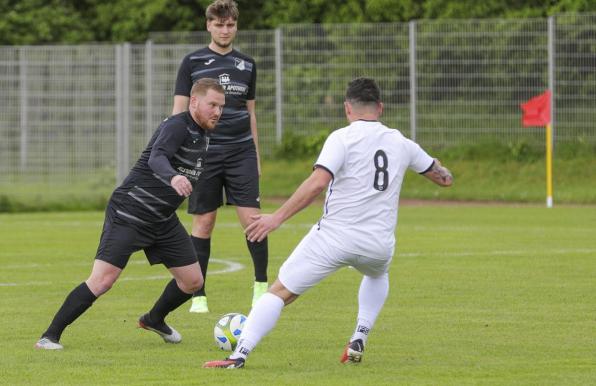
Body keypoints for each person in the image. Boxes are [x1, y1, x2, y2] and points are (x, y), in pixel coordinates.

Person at [203, 77, 454, 368]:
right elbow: (443, 178)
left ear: (348, 108)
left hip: (334, 238)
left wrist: (276, 218)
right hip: (378, 244)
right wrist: (438, 166)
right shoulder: (402, 142)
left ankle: (239, 354)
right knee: (377, 274)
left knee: (280, 292)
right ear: (380, 108)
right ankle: (360, 335)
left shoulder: (342, 138)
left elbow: (317, 183)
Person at [34, 78, 226, 350]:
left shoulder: (205, 134)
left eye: (221, 106)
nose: (217, 112)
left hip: (162, 219)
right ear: (194, 101)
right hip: (131, 211)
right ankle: (49, 336)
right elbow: (156, 158)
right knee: (102, 281)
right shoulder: (176, 126)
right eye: (212, 105)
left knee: (193, 281)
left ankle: (153, 319)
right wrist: (172, 178)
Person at [171, 0, 267, 314]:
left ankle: (261, 287)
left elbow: (250, 114)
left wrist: (256, 155)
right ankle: (198, 294)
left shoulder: (247, 64)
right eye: (219, 24)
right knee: (204, 222)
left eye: (230, 25)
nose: (225, 30)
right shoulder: (192, 62)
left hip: (241, 152)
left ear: (236, 27)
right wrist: (179, 155)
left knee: (253, 221)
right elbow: (180, 112)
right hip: (204, 155)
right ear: (208, 25)